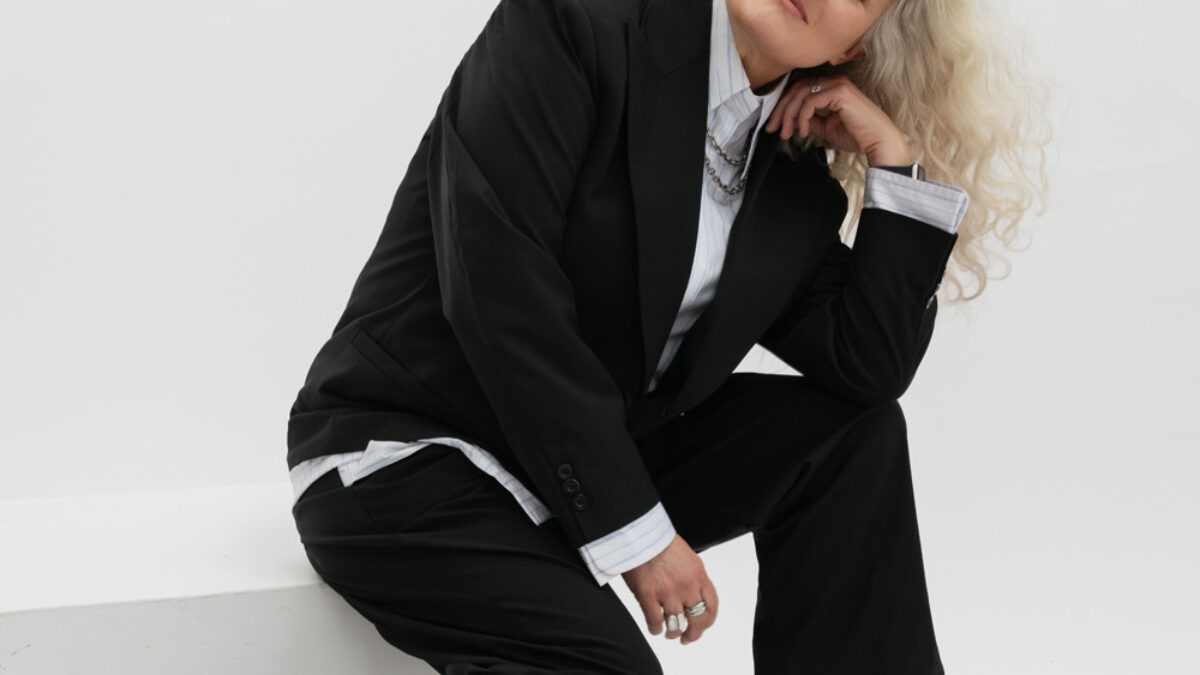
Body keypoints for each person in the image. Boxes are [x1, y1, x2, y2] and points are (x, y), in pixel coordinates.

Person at [286, 0, 1050, 672]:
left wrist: (894, 161)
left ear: (852, 48)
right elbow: (500, 291)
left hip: (565, 467)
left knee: (854, 438)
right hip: (413, 448)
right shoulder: (572, 24)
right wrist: (639, 534)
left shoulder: (789, 181)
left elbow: (868, 364)